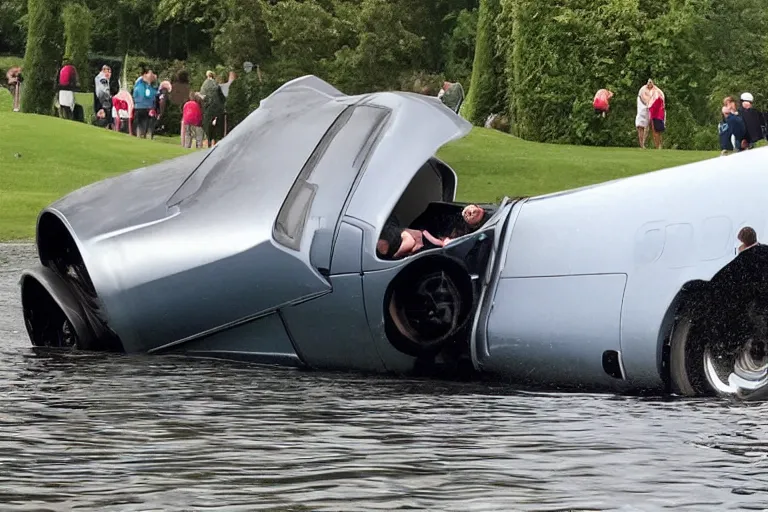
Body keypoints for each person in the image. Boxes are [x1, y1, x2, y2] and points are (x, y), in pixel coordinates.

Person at [200, 71, 226, 147]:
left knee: (208, 125)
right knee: (217, 126)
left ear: (207, 76)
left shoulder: (204, 85)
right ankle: (215, 141)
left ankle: (209, 141)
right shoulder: (216, 84)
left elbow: (203, 97)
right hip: (218, 108)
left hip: (208, 108)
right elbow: (222, 97)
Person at [133, 68, 159, 139]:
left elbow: (155, 94)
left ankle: (143, 136)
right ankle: (139, 136)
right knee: (139, 124)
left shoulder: (152, 86)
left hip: (148, 107)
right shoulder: (140, 83)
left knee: (145, 124)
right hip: (140, 106)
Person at [636, 79, 656, 148]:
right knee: (641, 126)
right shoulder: (643, 89)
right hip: (643, 107)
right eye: (649, 82)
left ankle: (643, 143)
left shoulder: (655, 90)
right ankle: (641, 144)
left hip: (649, 108)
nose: (650, 83)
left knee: (648, 126)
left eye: (651, 82)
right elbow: (643, 98)